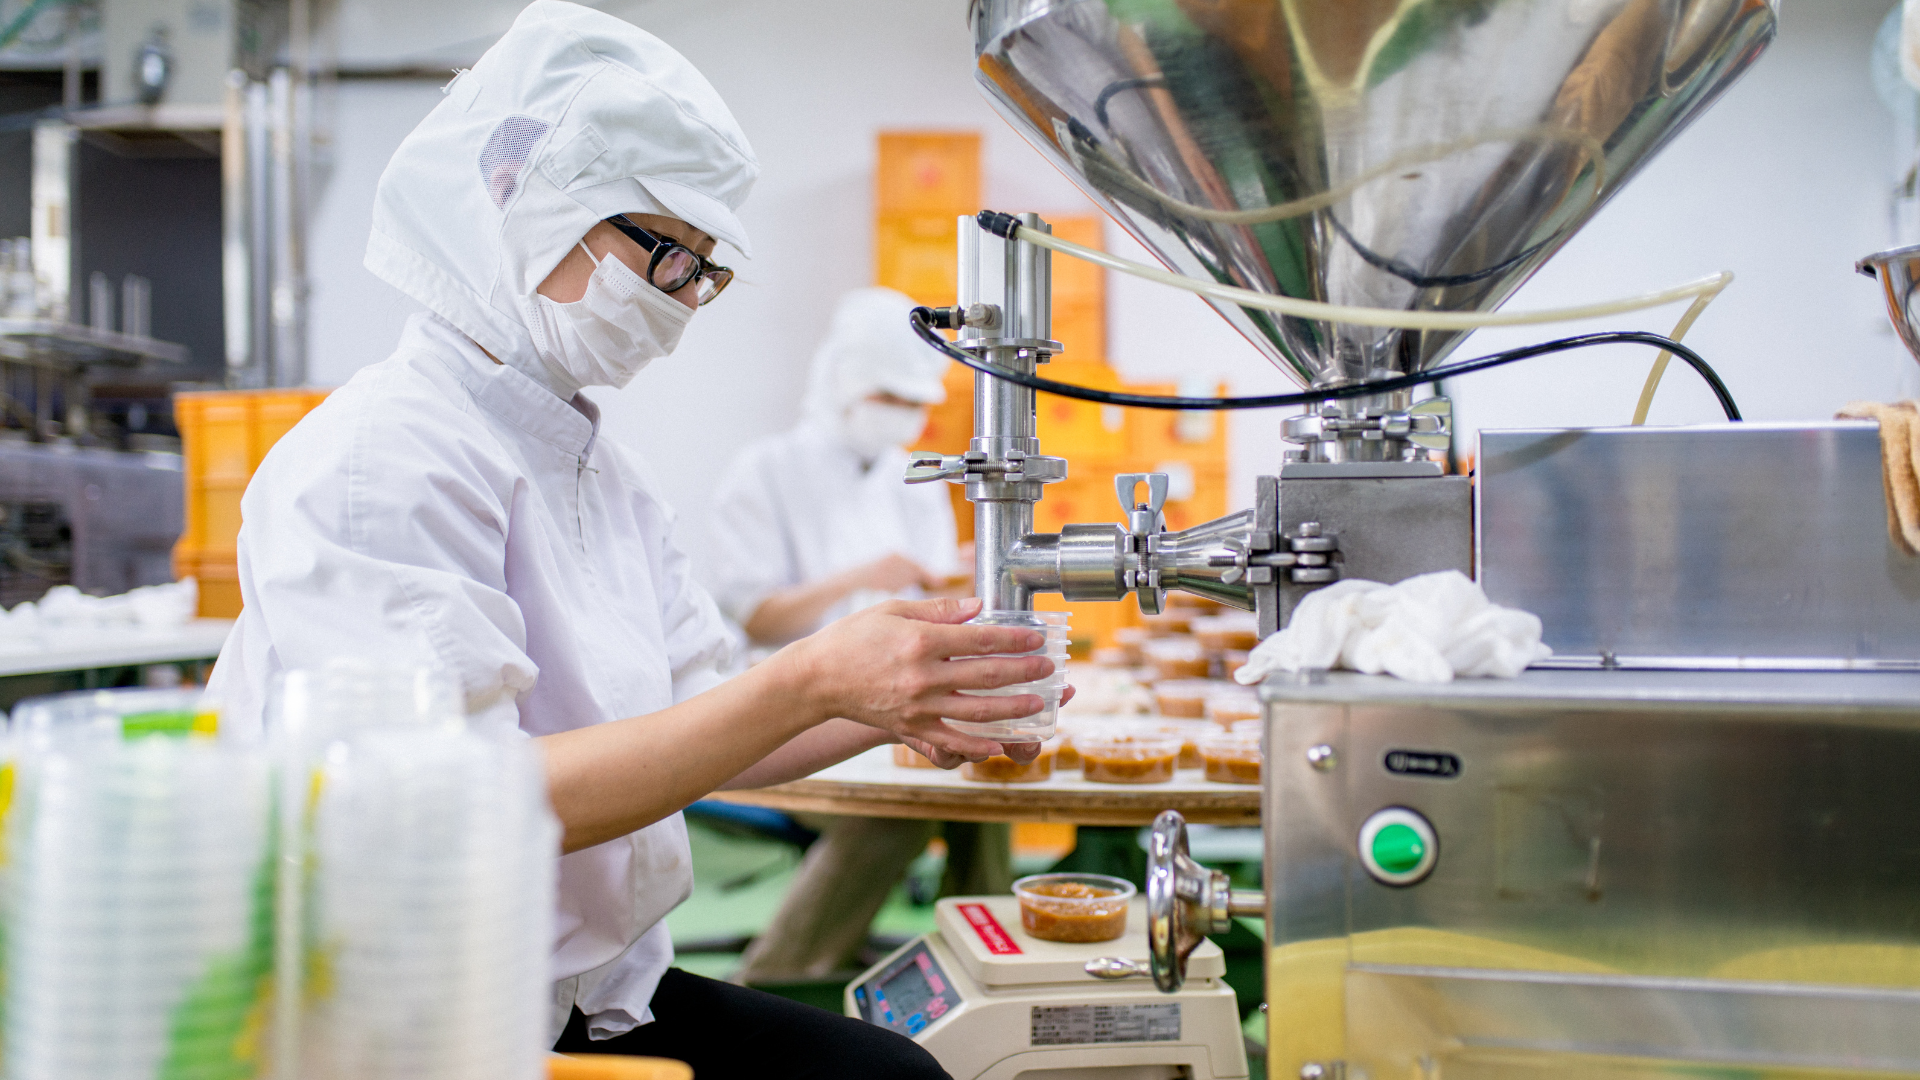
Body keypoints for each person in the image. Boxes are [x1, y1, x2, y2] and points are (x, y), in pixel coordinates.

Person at [204, 4, 1052, 1077]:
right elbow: (469, 799)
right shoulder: (385, 457)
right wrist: (817, 679)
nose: (684, 301)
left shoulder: (597, 469)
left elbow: (699, 717)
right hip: (412, 1020)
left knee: (897, 1073)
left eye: (707, 269)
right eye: (665, 253)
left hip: (584, 989)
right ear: (522, 201)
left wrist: (890, 701)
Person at [705, 287, 981, 984]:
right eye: (888, 394)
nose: (903, 413)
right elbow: (756, 619)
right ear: (842, 383)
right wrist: (861, 576)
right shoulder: (765, 471)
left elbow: (932, 599)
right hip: (782, 713)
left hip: (893, 704)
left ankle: (978, 974)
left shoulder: (912, 478)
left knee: (984, 793)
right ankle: (780, 984)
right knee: (897, 813)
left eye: (914, 399)